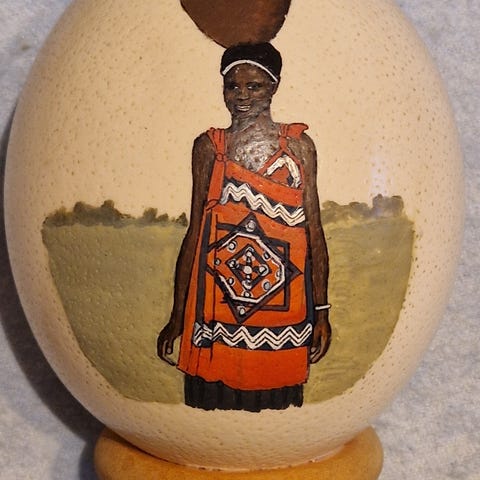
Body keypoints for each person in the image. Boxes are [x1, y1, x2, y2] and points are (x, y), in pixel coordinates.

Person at [157, 43, 331, 412]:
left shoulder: (298, 147)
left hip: (283, 320)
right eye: (232, 86)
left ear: (274, 86)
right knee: (210, 410)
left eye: (254, 86)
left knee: (277, 414)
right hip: (216, 315)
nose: (242, 96)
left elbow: (314, 233)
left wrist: (322, 312)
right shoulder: (210, 147)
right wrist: (177, 315)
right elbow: (195, 233)